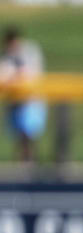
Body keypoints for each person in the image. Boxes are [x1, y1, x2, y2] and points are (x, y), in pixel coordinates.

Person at [0, 26, 47, 163]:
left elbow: (31, 73)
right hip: (15, 101)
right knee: (18, 135)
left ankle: (31, 162)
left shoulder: (30, 51)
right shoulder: (6, 55)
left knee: (30, 133)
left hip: (31, 100)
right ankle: (22, 164)